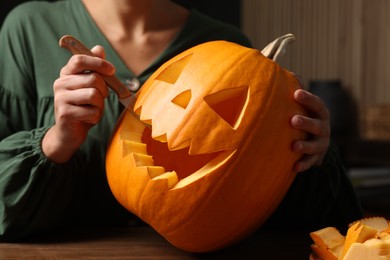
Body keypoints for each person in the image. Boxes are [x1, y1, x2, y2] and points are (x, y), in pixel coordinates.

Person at [0, 0, 362, 242]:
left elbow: (272, 208)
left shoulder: (229, 44)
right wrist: (56, 141)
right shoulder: (27, 28)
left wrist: (308, 156)